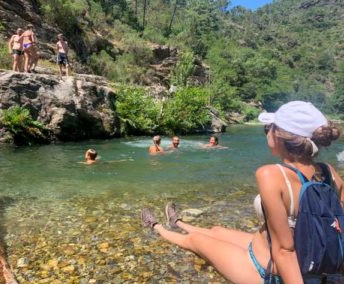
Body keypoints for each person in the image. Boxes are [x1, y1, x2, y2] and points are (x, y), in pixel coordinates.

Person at [141, 101, 343, 283]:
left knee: (197, 241)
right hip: (287, 255)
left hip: (265, 270)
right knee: (217, 232)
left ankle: (156, 226)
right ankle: (177, 222)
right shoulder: (329, 171)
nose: (267, 133)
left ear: (279, 136)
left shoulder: (270, 174)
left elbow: (284, 251)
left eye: (268, 128)